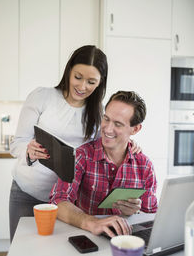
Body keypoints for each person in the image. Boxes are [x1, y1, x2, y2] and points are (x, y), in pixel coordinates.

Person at [9, 45, 140, 242]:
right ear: (69, 71)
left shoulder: (98, 113)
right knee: (21, 252)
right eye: (78, 77)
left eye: (91, 82)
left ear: (100, 83)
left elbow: (104, 148)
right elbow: (17, 144)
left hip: (69, 202)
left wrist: (128, 143)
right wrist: (28, 150)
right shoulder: (42, 96)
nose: (82, 86)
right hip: (28, 193)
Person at [49, 91, 158, 238]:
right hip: (87, 238)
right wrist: (91, 222)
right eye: (106, 119)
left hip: (126, 241)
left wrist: (135, 213)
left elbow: (151, 216)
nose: (107, 129)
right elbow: (58, 200)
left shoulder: (144, 166)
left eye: (118, 124)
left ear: (135, 129)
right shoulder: (83, 155)